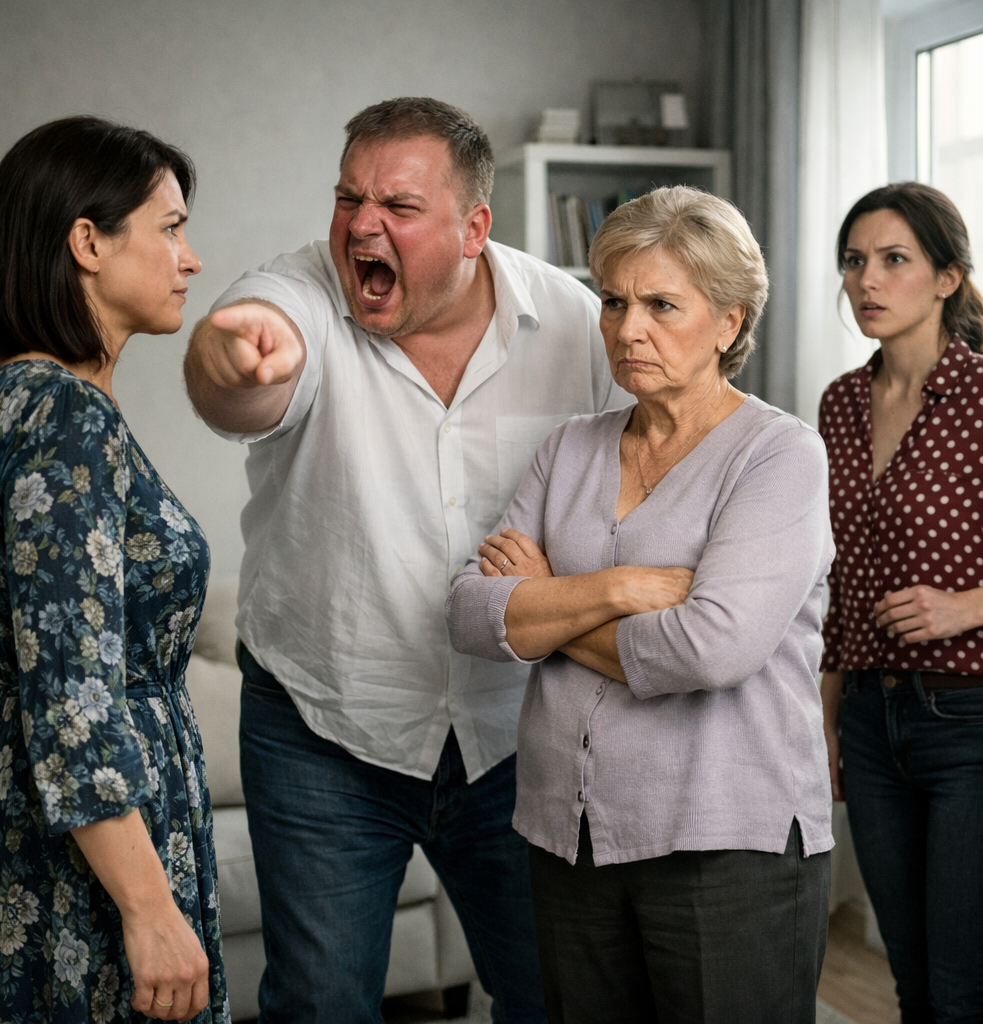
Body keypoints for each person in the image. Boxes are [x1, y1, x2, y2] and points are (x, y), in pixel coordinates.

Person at [183, 96, 627, 1023]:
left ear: (474, 229)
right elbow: (239, 379)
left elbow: (639, 482)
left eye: (397, 205)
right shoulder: (297, 295)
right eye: (349, 198)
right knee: (319, 1006)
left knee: (556, 999)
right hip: (323, 728)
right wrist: (229, 364)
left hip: (516, 735)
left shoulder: (574, 323)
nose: (361, 225)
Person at [446, 185, 836, 1024]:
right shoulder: (568, 448)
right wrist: (612, 590)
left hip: (727, 841)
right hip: (569, 836)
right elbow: (471, 613)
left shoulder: (780, 457)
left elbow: (709, 649)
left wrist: (546, 605)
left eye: (662, 305)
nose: (628, 330)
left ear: (729, 321)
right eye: (614, 302)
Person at [0, 116, 227, 1023]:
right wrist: (149, 910)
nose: (190, 258)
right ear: (88, 242)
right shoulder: (64, 416)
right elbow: (74, 693)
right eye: (170, 228)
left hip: (1, 802)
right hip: (91, 858)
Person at [819, 182, 983, 1023]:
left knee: (960, 989)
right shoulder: (840, 404)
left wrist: (968, 606)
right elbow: (835, 581)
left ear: (948, 278)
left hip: (968, 719)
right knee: (911, 984)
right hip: (867, 722)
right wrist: (826, 723)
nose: (867, 281)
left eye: (894, 260)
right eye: (854, 262)